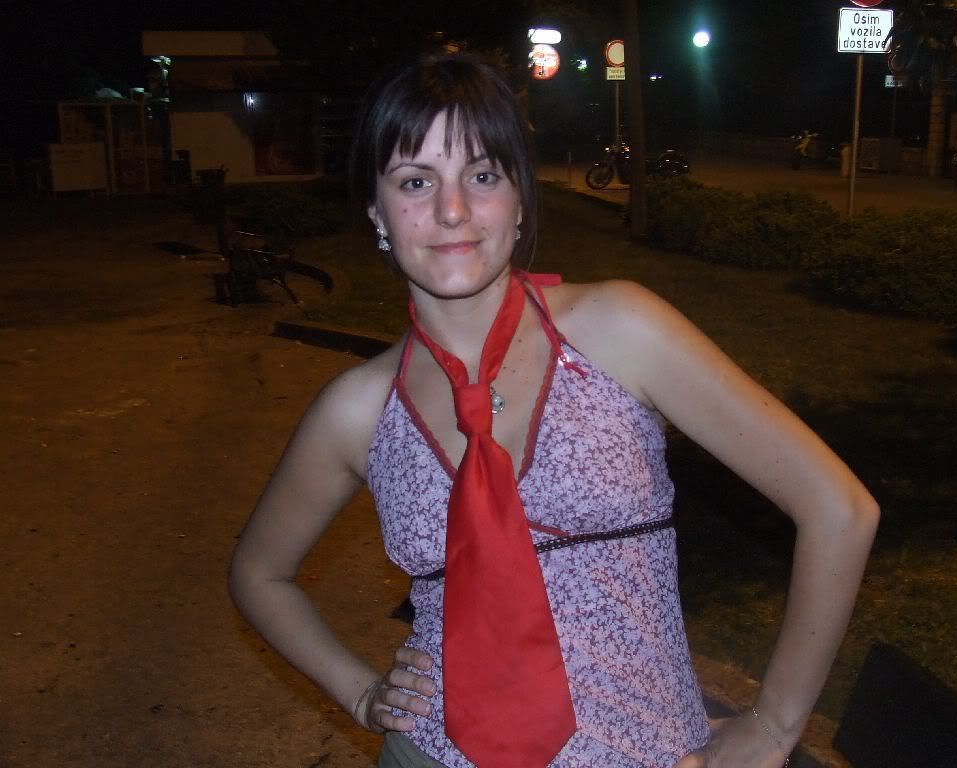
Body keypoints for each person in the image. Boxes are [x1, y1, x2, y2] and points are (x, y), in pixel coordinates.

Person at [228, 53, 879, 768]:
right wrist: (360, 693)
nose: (452, 209)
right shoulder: (359, 409)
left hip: (643, 753)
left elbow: (839, 509)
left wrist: (776, 725)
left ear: (519, 199)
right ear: (378, 214)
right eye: (416, 181)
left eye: (482, 176)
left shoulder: (619, 331)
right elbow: (259, 572)